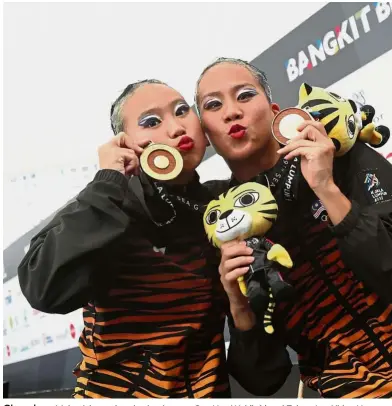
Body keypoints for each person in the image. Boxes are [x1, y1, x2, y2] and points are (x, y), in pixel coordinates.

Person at [17, 79, 289, 398]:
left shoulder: (223, 209)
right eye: (151, 122)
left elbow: (263, 379)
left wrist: (240, 305)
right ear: (125, 143)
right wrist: (110, 181)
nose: (175, 128)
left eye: (182, 111)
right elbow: (44, 289)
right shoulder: (109, 205)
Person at [194, 57, 392, 398]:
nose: (231, 112)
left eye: (245, 95)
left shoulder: (335, 152)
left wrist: (326, 187)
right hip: (356, 391)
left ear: (276, 111)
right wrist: (238, 303)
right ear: (205, 134)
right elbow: (263, 379)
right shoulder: (221, 221)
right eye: (213, 105)